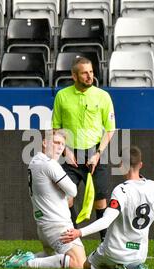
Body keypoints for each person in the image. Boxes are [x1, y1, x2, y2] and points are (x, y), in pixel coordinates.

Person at [60, 145, 154, 269]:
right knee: (116, 262)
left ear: (121, 165)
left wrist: (79, 232)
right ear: (141, 165)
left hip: (113, 252)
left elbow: (106, 221)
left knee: (87, 268)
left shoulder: (121, 190)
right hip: (139, 256)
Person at [0, 130, 86, 269]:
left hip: (44, 228)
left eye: (63, 144)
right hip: (57, 226)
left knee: (50, 254)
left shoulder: (34, 161)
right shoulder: (49, 164)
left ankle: (28, 257)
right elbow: (73, 190)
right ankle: (27, 263)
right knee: (79, 263)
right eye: (56, 142)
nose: (60, 147)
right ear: (45, 143)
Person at [52, 56, 116, 241]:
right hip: (70, 154)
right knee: (66, 199)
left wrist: (97, 154)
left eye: (91, 72)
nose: (89, 76)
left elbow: (110, 129)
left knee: (100, 200)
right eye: (84, 73)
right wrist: (65, 151)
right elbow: (56, 128)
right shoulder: (62, 96)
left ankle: (105, 244)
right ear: (74, 76)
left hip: (96, 154)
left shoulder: (103, 96)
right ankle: (74, 242)